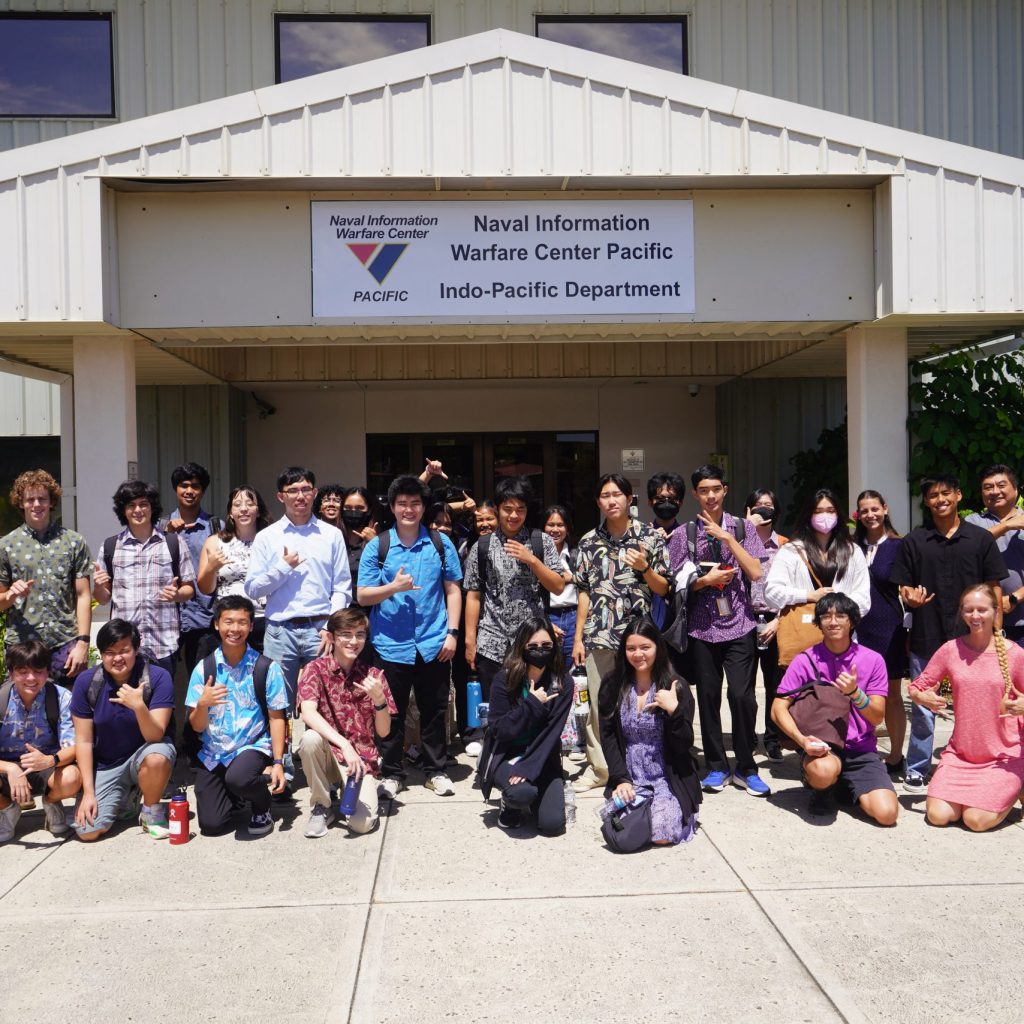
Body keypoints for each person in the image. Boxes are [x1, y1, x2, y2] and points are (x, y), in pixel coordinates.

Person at [891, 474, 1006, 793]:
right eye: (932, 495)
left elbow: (995, 584)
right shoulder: (915, 540)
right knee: (925, 706)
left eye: (945, 493)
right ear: (926, 502)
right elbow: (904, 584)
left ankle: (983, 763)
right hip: (928, 635)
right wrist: (908, 596)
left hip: (975, 639)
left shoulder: (980, 539)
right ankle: (916, 768)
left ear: (957, 495)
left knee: (980, 704)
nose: (939, 499)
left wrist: (997, 630)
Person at [357, 474, 462, 798]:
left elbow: (453, 590)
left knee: (434, 710)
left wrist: (453, 633)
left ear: (424, 506)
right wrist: (393, 588)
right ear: (392, 506)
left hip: (433, 642)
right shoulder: (379, 545)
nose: (409, 509)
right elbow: (362, 596)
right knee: (390, 710)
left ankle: (435, 770)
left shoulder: (440, 543)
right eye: (402, 503)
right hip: (390, 644)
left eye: (415, 503)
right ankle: (392, 772)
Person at [668, 465, 768, 796]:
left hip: (739, 623)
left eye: (716, 489)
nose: (710, 495)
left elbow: (755, 571)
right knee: (708, 698)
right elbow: (676, 583)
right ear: (695, 494)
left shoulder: (742, 528)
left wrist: (727, 538)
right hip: (701, 627)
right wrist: (704, 581)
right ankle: (715, 766)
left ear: (725, 490)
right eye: (703, 490)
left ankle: (746, 766)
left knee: (742, 696)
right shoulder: (685, 534)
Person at [571, 474, 670, 793]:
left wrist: (644, 568)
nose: (611, 500)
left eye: (617, 494)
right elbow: (583, 592)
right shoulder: (588, 541)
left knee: (640, 702)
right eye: (604, 495)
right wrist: (578, 637)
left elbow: (663, 588)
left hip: (637, 641)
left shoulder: (650, 537)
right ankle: (600, 767)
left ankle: (641, 762)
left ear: (629, 499)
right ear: (598, 502)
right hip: (598, 636)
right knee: (601, 706)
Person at [771, 593, 899, 825]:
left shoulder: (873, 660)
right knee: (823, 770)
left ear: (852, 621)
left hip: (861, 750)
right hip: (822, 748)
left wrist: (855, 694)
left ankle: (841, 786)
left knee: (887, 814)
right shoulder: (805, 660)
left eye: (840, 615)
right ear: (818, 623)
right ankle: (822, 789)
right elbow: (778, 708)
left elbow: (877, 715)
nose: (833, 622)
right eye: (826, 616)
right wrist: (802, 741)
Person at [908, 583, 1024, 831]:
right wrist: (923, 697)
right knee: (938, 816)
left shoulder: (1014, 653)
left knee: (976, 821)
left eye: (982, 610)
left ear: (995, 612)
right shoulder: (951, 650)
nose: (975, 616)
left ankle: (1018, 786)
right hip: (961, 755)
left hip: (1003, 756)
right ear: (962, 613)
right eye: (969, 610)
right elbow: (917, 686)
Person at [244, 466, 352, 714]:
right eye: (292, 490)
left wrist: (330, 627)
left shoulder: (332, 535)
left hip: (321, 630)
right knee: (278, 704)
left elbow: (342, 588)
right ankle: (283, 753)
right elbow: (253, 588)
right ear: (281, 496)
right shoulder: (267, 537)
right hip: (280, 632)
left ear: (314, 493)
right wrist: (282, 567)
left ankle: (320, 753)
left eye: (305, 489)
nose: (300, 496)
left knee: (325, 701)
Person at [185, 596, 289, 836]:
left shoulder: (265, 667)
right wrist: (202, 705)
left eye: (242, 622)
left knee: (240, 777)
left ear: (251, 626)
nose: (234, 629)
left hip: (252, 746)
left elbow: (276, 718)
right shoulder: (204, 668)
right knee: (211, 826)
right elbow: (197, 727)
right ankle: (237, 794)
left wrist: (278, 762)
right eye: (228, 622)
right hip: (214, 753)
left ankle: (261, 804)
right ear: (216, 625)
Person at [70, 620, 177, 841]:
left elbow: (155, 736)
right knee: (88, 832)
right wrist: (88, 793)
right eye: (109, 653)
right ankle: (127, 797)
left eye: (124, 651)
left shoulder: (157, 677)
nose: (117, 658)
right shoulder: (86, 682)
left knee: (158, 756)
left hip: (144, 755)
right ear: (101, 654)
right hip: (107, 764)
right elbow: (83, 740)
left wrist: (138, 706)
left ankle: (151, 811)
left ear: (135, 649)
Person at [598, 617, 701, 845]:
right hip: (630, 775)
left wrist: (674, 711)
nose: (638, 654)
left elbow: (684, 744)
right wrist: (620, 779)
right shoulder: (612, 685)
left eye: (645, 647)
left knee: (661, 835)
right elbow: (608, 737)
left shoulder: (675, 686)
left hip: (666, 776)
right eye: (631, 648)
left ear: (658, 648)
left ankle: (681, 812)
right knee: (626, 830)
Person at [297, 607, 397, 837]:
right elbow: (308, 713)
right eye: (346, 634)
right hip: (329, 754)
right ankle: (321, 805)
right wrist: (344, 744)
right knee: (310, 739)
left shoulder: (374, 676)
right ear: (331, 637)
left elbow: (383, 732)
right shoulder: (315, 669)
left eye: (360, 635)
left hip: (361, 762)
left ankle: (347, 792)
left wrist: (380, 701)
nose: (354, 641)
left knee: (361, 825)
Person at [463, 476, 564, 696]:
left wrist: (533, 561)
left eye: (520, 509)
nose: (514, 515)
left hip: (534, 643)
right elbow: (473, 595)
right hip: (491, 643)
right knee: (496, 712)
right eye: (508, 509)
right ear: (498, 509)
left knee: (536, 706)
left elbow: (558, 586)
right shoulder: (482, 546)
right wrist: (470, 641)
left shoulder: (541, 541)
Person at [477, 616, 574, 834]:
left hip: (542, 755)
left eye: (546, 646)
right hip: (507, 752)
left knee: (552, 825)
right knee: (521, 793)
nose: (540, 651)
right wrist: (531, 705)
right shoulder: (505, 679)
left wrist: (528, 767)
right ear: (522, 647)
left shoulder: (563, 682)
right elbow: (499, 729)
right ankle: (511, 804)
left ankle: (535, 792)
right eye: (533, 646)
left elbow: (551, 733)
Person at [92, 479, 197, 675]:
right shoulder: (111, 546)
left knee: (162, 704)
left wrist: (177, 595)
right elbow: (103, 598)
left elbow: (189, 588)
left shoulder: (173, 543)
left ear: (152, 508)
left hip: (163, 643)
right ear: (123, 511)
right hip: (123, 648)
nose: (137, 510)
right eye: (131, 505)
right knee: (125, 703)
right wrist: (98, 587)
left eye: (143, 504)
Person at [0, 469, 93, 684]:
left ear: (52, 502)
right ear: (20, 503)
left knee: (71, 712)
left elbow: (83, 595)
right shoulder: (6, 546)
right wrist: (12, 596)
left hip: (65, 645)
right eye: (30, 499)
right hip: (23, 647)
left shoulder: (73, 542)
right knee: (25, 715)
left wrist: (83, 644)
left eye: (42, 498)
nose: (36, 504)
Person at [765, 487, 871, 663]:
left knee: (841, 689)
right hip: (802, 641)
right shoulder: (791, 551)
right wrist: (807, 596)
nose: (825, 516)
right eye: (818, 511)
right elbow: (771, 592)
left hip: (843, 643)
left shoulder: (853, 551)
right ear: (809, 515)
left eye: (830, 511)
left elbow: (863, 598)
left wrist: (835, 612)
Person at [853, 490, 909, 779]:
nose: (870, 515)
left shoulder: (900, 545)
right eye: (864, 510)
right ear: (858, 515)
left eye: (875, 509)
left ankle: (896, 755)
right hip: (855, 627)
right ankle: (862, 751)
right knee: (856, 692)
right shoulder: (851, 546)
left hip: (888, 627)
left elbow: (909, 586)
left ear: (885, 509)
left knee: (891, 696)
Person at [0, 640, 80, 842]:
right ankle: (7, 809)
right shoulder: (1, 699)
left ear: (47, 672)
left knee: (72, 776)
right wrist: (10, 768)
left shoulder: (61, 697)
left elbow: (75, 747)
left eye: (38, 671)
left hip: (47, 765)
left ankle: (52, 802)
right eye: (22, 671)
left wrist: (49, 761)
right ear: (11, 674)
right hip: (5, 769)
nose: (31, 678)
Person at [196, 485, 271, 658]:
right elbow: (205, 589)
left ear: (258, 511)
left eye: (249, 503)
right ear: (230, 512)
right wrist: (211, 568)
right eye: (237, 504)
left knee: (262, 674)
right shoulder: (215, 542)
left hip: (264, 620)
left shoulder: (270, 540)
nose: (243, 509)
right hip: (229, 621)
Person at [162, 462, 221, 673]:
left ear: (202, 491)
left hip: (204, 618)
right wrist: (165, 535)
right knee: (162, 685)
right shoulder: (159, 528)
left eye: (195, 486)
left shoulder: (216, 527)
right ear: (175, 489)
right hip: (167, 618)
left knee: (203, 684)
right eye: (184, 485)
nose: (189, 491)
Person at [744, 487, 787, 762]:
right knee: (743, 688)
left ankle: (773, 739)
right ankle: (746, 738)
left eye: (768, 504)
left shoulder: (786, 544)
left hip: (775, 621)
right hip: (744, 621)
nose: (764, 508)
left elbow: (795, 588)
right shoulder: (739, 541)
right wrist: (747, 529)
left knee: (775, 685)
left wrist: (780, 621)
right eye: (758, 504)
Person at [966, 465, 1024, 649]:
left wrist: (1014, 598)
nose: (995, 491)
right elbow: (973, 545)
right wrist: (1007, 526)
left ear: (1015, 489)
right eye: (988, 487)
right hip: (983, 624)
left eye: (1001, 485)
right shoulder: (973, 522)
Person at [542, 505, 578, 668]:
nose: (555, 530)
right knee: (548, 667)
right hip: (548, 616)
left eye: (560, 525)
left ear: (568, 528)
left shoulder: (577, 553)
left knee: (573, 667)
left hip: (573, 617)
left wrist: (572, 577)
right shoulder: (536, 556)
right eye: (550, 525)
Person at [341, 487, 379, 598]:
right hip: (338, 610)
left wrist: (374, 543)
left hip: (367, 609)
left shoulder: (380, 541)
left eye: (359, 508)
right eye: (348, 508)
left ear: (369, 510)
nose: (353, 512)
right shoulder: (333, 538)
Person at [647, 472, 686, 538]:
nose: (666, 504)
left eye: (672, 498)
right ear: (650, 502)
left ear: (680, 503)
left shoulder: (687, 536)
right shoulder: (643, 536)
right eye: (660, 498)